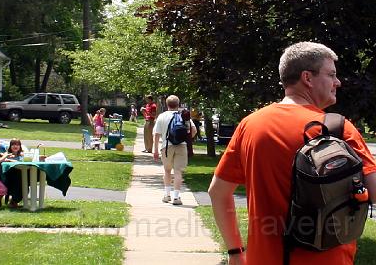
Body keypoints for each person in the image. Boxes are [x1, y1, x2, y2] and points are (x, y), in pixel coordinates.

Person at [209, 42, 376, 265]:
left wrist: (235, 253)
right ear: (307, 78)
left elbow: (217, 192)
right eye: (332, 74)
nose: (338, 82)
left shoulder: (250, 125)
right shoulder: (337, 129)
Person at [153, 95, 197, 205]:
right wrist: (187, 138)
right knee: (178, 171)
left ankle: (167, 195)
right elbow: (194, 131)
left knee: (167, 171)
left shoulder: (162, 116)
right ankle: (176, 197)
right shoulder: (184, 116)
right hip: (181, 146)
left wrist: (155, 150)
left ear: (166, 104)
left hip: (167, 146)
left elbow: (156, 134)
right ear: (178, 104)